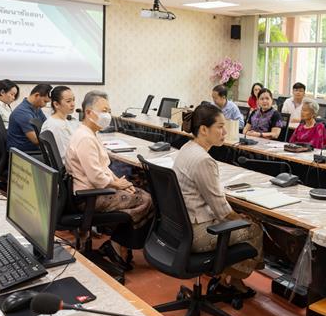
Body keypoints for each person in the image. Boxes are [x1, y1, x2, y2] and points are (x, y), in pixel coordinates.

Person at [173, 103, 263, 294]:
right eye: (220, 127)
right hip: (197, 233)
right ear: (204, 129)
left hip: (180, 226)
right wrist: (241, 219)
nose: (225, 131)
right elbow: (221, 210)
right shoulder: (204, 160)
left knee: (242, 220)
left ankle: (227, 276)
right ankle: (229, 279)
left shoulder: (187, 148)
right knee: (254, 228)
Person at [66, 90, 153, 271]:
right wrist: (116, 184)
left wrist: (121, 183)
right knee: (147, 199)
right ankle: (117, 244)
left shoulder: (89, 133)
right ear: (89, 112)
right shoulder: (85, 138)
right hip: (89, 196)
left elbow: (102, 168)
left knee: (140, 193)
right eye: (104, 110)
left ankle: (117, 244)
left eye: (109, 110)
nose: (108, 115)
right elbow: (96, 177)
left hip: (96, 190)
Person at [7, 84, 52, 152]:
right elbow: (35, 140)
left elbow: (47, 125)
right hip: (23, 153)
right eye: (45, 101)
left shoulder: (36, 108)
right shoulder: (22, 113)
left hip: (33, 149)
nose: (45, 105)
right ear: (37, 95)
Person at [41, 86, 79, 162]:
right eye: (68, 101)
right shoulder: (56, 126)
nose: (73, 104)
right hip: (71, 168)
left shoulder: (62, 121)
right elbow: (65, 157)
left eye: (73, 100)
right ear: (56, 104)